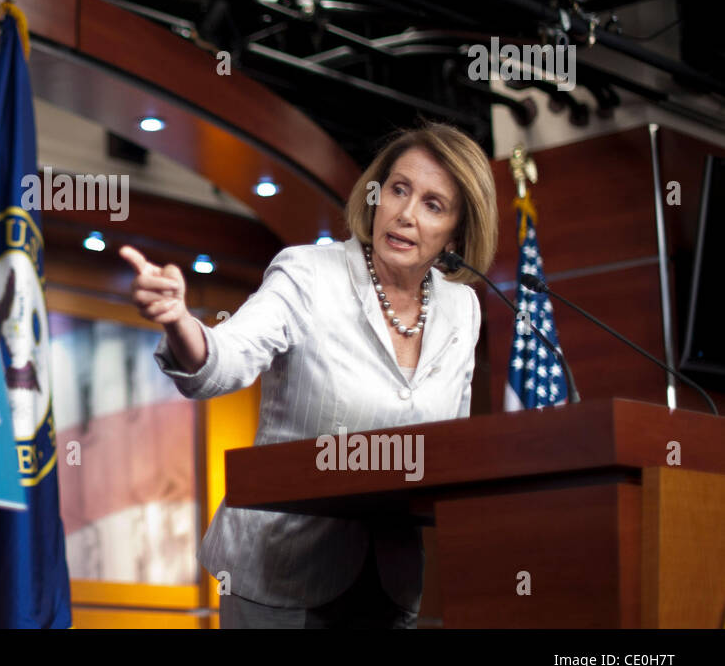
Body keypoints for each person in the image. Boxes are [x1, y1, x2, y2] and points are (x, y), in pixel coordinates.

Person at [121, 121, 497, 628]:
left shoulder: (462, 309)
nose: (406, 215)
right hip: (281, 570)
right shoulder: (308, 274)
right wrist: (180, 321)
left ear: (457, 231)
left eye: (433, 205)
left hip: (390, 579)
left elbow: (452, 447)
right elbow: (227, 358)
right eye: (399, 189)